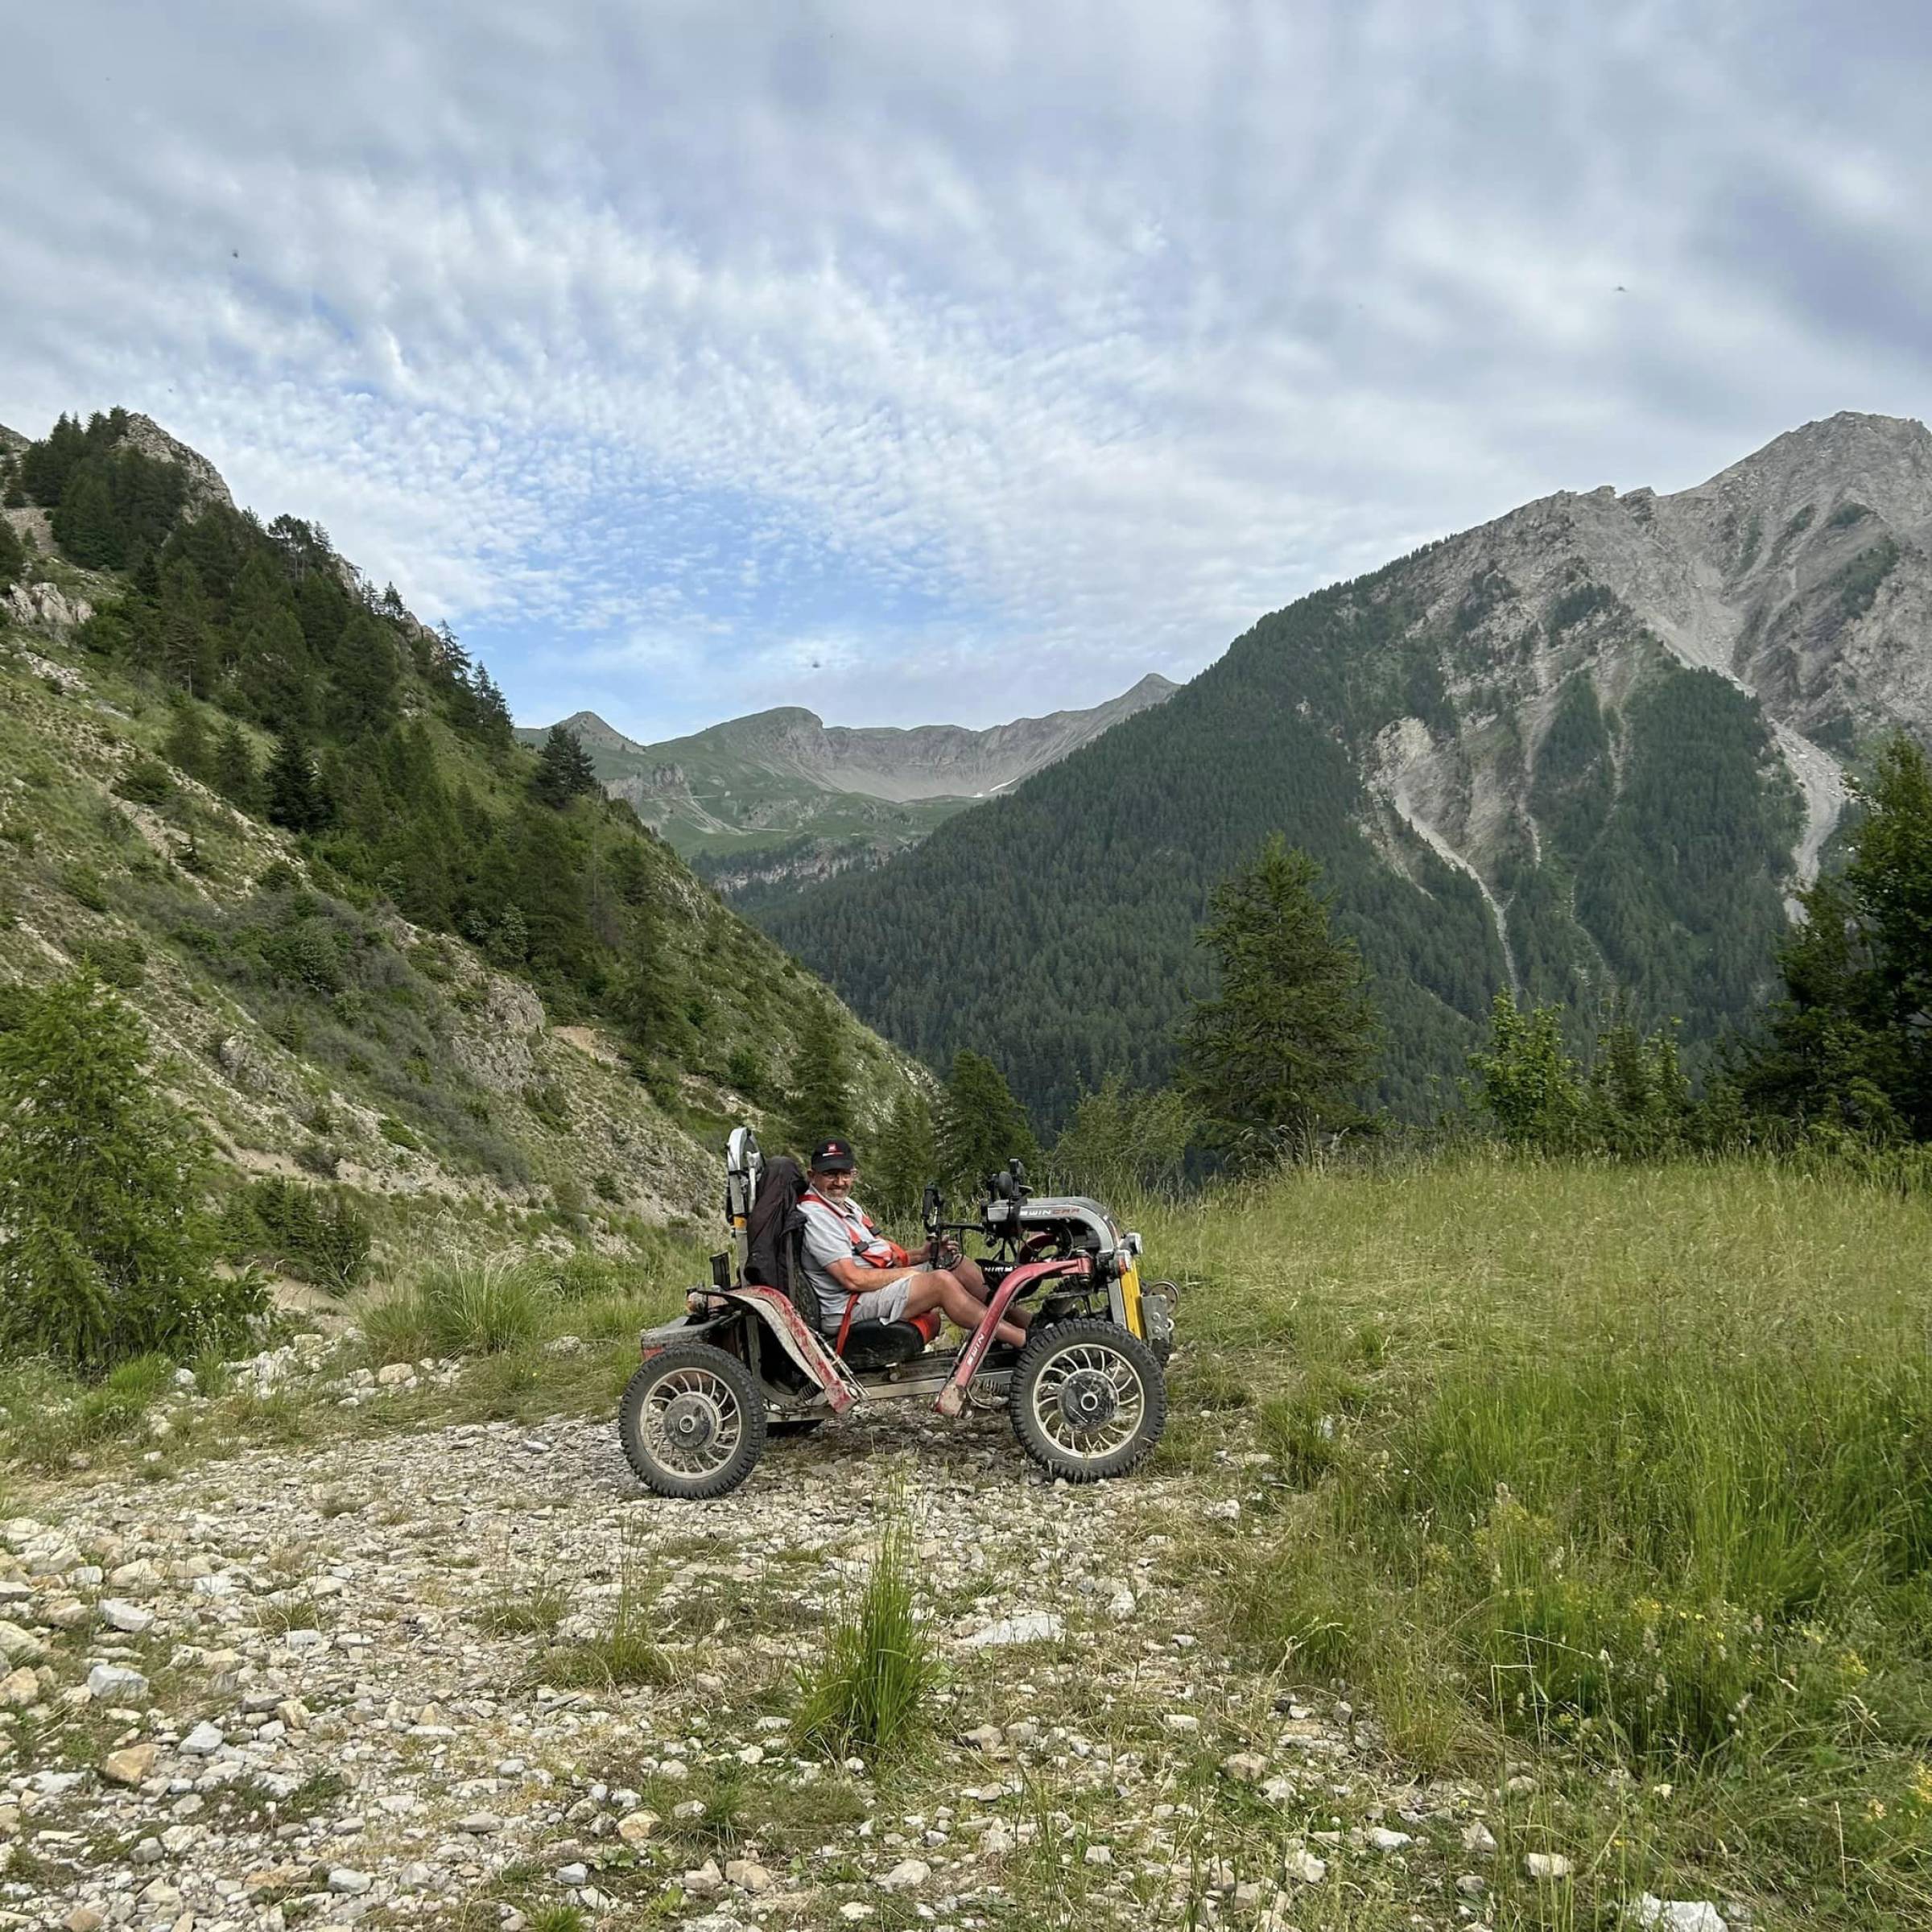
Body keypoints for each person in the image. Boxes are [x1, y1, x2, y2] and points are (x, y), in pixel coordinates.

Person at [797, 1137, 1029, 1348]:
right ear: (812, 1176)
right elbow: (852, 1278)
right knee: (940, 1283)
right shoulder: (817, 1217)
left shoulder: (845, 1205)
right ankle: (1024, 1341)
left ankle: (1030, 1323)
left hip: (871, 1289)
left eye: (845, 1174)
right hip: (849, 1306)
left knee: (953, 1263)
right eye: (830, 1174)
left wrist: (923, 1254)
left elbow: (874, 1256)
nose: (840, 1182)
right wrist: (907, 1274)